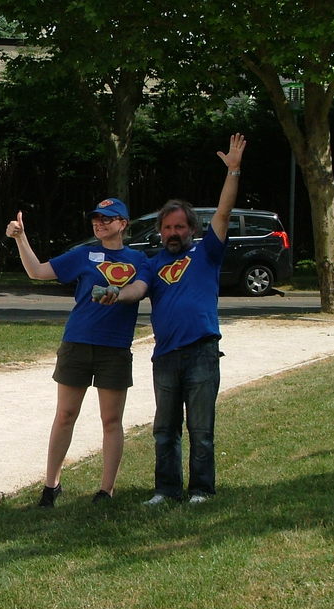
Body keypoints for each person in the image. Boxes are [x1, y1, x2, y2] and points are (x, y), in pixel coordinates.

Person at [97, 133, 247, 505]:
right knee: (164, 429)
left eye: (179, 227)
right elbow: (137, 288)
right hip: (165, 355)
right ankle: (165, 490)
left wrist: (233, 171)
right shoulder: (154, 262)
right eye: (167, 228)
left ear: (191, 229)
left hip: (201, 351)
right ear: (160, 232)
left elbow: (225, 213)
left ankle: (201, 490)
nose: (173, 233)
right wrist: (118, 294)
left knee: (201, 428)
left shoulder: (207, 252)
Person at [5, 198, 146, 506]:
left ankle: (106, 490)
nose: (100, 223)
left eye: (107, 219)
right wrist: (20, 238)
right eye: (96, 219)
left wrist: (119, 294)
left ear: (123, 223)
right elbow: (38, 272)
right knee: (65, 415)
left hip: (115, 348)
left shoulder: (139, 258)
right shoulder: (83, 254)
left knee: (111, 420)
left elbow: (140, 289)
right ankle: (51, 486)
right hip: (78, 342)